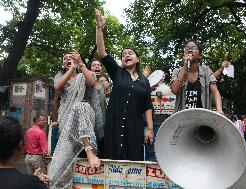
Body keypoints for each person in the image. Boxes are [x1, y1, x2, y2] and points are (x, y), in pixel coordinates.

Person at [96, 10, 154, 161]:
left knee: (133, 166)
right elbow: (102, 52)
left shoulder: (144, 82)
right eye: (123, 54)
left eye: (130, 53)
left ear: (137, 59)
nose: (126, 55)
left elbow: (147, 106)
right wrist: (99, 28)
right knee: (111, 163)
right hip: (113, 127)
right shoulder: (117, 73)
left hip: (134, 129)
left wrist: (150, 129)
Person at [48, 51, 102, 188]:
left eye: (71, 58)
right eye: (65, 58)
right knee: (64, 158)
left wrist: (80, 65)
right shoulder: (60, 76)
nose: (68, 59)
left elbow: (91, 81)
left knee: (80, 106)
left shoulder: (82, 75)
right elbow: (57, 87)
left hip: (85, 115)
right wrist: (71, 68)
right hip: (66, 118)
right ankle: (58, 184)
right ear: (63, 63)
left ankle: (90, 150)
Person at [170, 41, 223, 114]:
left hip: (202, 118)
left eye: (193, 48)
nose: (189, 50)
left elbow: (215, 91)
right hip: (182, 119)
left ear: (199, 55)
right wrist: (185, 66)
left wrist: (219, 109)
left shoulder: (206, 71)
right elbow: (174, 90)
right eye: (187, 48)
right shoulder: (177, 71)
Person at [0, 115, 49, 189]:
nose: (45, 122)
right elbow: (44, 146)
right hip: (36, 158)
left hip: (28, 157)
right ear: (20, 145)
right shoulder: (41, 132)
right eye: (43, 120)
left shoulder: (29, 131)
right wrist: (39, 183)